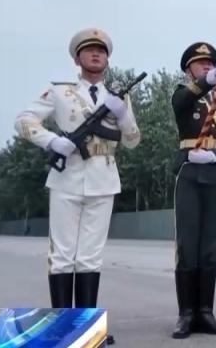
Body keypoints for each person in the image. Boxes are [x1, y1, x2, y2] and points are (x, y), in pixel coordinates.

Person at [15, 28, 140, 345]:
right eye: (89, 50)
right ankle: (61, 329)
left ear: (107, 59)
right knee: (62, 257)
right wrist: (52, 141)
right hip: (67, 179)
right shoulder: (60, 91)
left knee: (90, 258)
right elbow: (24, 120)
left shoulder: (118, 97)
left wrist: (123, 115)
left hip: (104, 178)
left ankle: (86, 330)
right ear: (77, 59)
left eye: (101, 51)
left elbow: (132, 140)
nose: (96, 54)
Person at [169, 42, 216, 338]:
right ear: (189, 70)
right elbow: (181, 102)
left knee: (210, 247)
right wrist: (209, 80)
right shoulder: (184, 94)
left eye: (211, 63)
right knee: (188, 246)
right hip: (190, 173)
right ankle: (186, 314)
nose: (208, 66)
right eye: (201, 64)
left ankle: (205, 312)